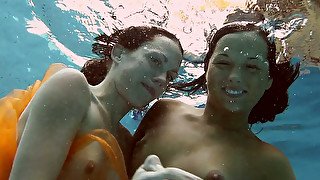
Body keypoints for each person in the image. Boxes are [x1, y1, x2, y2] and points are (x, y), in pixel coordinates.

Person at [0, 25, 187, 179]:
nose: (162, 79)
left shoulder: (127, 145)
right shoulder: (71, 87)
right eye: (155, 60)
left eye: (170, 77)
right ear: (119, 53)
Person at [130, 17, 300, 179]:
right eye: (223, 63)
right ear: (206, 69)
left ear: (268, 80)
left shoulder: (272, 164)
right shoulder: (164, 111)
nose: (235, 76)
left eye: (251, 67)